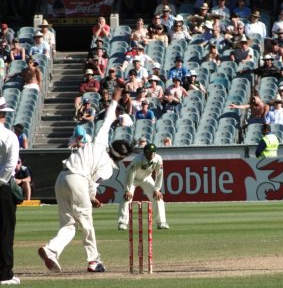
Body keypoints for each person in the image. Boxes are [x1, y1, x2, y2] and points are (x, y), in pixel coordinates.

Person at [38, 88, 134, 273]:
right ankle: (93, 261)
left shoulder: (99, 142)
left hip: (62, 177)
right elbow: (92, 183)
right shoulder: (107, 169)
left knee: (68, 225)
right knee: (86, 223)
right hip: (78, 181)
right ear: (121, 159)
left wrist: (114, 100)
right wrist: (92, 197)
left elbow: (107, 120)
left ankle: (51, 250)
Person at [118, 143, 169, 230]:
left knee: (158, 197)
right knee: (127, 198)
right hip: (133, 179)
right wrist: (127, 190)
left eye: (153, 152)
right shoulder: (138, 159)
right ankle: (122, 223)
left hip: (146, 178)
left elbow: (159, 174)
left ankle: (161, 222)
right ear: (145, 152)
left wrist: (157, 189)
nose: (152, 154)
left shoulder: (158, 159)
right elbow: (130, 174)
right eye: (149, 152)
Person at [0, 97, 20, 285]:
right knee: (6, 231)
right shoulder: (9, 136)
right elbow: (10, 165)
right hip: (3, 188)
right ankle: (5, 273)